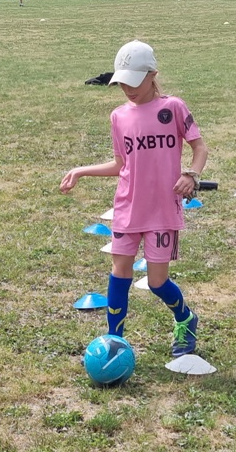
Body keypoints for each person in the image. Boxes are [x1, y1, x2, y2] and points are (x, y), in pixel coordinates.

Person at [59, 40, 208, 357]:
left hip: (162, 210)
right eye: (122, 82)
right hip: (127, 208)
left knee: (157, 282)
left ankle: (185, 318)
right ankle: (114, 341)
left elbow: (200, 148)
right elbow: (120, 164)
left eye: (134, 81)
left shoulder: (173, 108)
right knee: (120, 271)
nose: (128, 88)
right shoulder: (118, 116)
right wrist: (81, 171)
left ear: (153, 75)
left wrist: (191, 174)